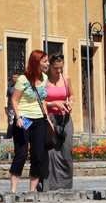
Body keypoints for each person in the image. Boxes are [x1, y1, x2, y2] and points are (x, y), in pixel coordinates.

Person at [9, 50, 51, 193]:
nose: (48, 64)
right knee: (21, 153)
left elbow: (43, 99)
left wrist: (47, 117)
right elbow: (14, 100)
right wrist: (18, 117)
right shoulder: (23, 79)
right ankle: (13, 190)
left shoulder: (45, 78)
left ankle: (32, 192)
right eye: (45, 61)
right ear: (36, 62)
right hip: (24, 119)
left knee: (37, 155)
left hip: (39, 119)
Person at [43, 53, 74, 191]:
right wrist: (53, 103)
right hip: (50, 118)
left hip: (65, 118)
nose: (59, 71)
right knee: (51, 152)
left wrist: (70, 102)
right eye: (56, 68)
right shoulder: (44, 80)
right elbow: (41, 100)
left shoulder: (65, 77)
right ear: (50, 66)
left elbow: (71, 94)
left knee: (67, 150)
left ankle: (66, 185)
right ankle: (49, 186)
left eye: (61, 68)